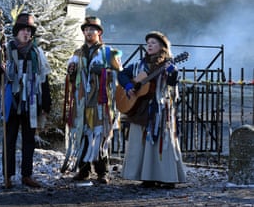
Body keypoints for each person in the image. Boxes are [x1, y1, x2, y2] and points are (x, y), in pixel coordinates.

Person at [117, 31, 186, 188]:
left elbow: (172, 83)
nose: (149, 45)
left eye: (153, 43)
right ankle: (146, 176)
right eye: (148, 42)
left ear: (162, 47)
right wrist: (128, 86)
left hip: (160, 109)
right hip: (140, 108)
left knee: (163, 142)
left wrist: (172, 73)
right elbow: (122, 75)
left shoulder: (168, 65)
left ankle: (167, 178)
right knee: (141, 143)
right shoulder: (138, 65)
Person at [0, 12, 52, 188]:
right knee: (9, 139)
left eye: (29, 30)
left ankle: (27, 175)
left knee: (29, 140)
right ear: (17, 32)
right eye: (23, 30)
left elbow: (44, 79)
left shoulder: (36, 53)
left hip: (31, 102)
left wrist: (46, 103)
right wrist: (1, 70)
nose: (26, 33)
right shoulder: (5, 51)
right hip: (12, 101)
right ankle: (8, 176)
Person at [65, 16, 122, 184]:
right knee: (83, 133)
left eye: (92, 29)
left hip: (100, 101)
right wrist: (72, 72)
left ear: (99, 32)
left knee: (100, 135)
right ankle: (83, 171)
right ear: (83, 32)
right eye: (86, 29)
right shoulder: (77, 53)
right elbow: (71, 78)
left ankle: (102, 172)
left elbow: (119, 74)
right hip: (82, 101)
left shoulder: (109, 52)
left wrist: (104, 71)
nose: (89, 32)